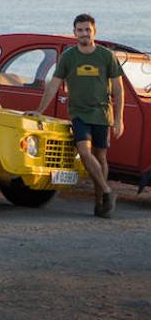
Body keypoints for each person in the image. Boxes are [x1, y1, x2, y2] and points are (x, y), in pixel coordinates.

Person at [33, 13, 124, 217]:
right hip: (79, 113)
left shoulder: (106, 56)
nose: (84, 33)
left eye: (87, 30)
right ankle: (108, 191)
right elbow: (53, 85)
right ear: (74, 32)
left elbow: (119, 90)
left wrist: (119, 119)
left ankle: (100, 202)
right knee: (84, 152)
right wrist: (39, 110)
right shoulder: (69, 57)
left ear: (94, 31)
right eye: (80, 30)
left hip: (101, 113)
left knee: (101, 157)